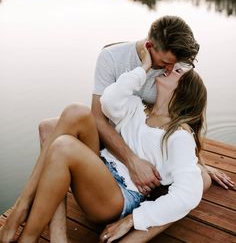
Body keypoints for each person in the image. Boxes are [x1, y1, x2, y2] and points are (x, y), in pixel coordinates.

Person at [0, 16, 234, 243]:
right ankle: (28, 211)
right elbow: (106, 107)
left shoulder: (177, 135)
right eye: (167, 65)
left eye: (176, 69)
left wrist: (197, 164)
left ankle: (28, 236)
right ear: (150, 47)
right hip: (106, 156)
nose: (170, 68)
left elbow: (186, 182)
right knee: (72, 113)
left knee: (62, 144)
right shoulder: (132, 97)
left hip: (121, 194)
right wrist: (142, 69)